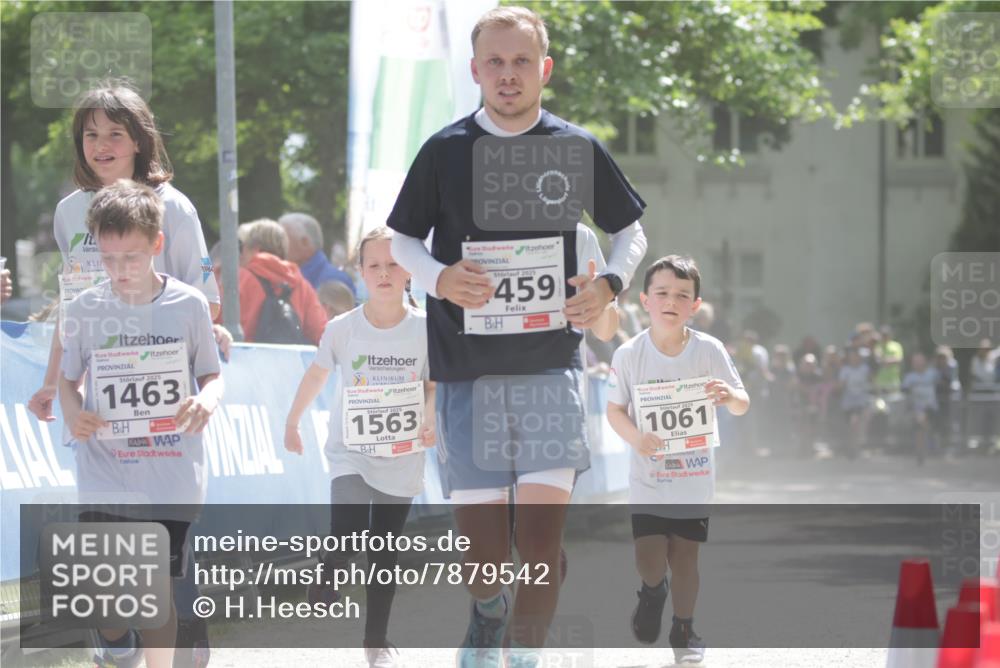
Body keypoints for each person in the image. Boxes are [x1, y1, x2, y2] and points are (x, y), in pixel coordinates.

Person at [386, 7, 648, 667]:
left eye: (521, 62)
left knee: (538, 545)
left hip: (548, 370)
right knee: (483, 558)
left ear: (544, 69)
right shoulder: (444, 150)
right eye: (496, 63)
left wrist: (609, 284)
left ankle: (522, 657)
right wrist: (441, 278)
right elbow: (402, 241)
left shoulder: (575, 147)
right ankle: (487, 608)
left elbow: (629, 231)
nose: (508, 75)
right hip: (467, 372)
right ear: (476, 71)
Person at [58, 180, 223, 668]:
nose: (120, 269)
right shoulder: (85, 309)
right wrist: (74, 412)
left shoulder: (189, 304)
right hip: (105, 468)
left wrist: (207, 400)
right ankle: (119, 643)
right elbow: (69, 381)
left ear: (157, 244)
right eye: (108, 259)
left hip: (170, 469)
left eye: (131, 257)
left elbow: (212, 374)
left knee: (155, 591)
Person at [28, 81, 227, 423]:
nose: (101, 145)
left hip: (163, 394)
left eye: (115, 134)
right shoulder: (68, 212)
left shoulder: (175, 208)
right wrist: (52, 382)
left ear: (139, 140)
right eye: (91, 135)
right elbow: (71, 303)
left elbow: (207, 300)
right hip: (95, 400)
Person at [284, 227, 434, 668]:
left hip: (402, 454)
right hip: (351, 450)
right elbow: (317, 373)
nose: (384, 273)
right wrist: (292, 421)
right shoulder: (342, 329)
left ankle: (376, 641)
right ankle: (329, 569)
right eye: (374, 265)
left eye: (393, 264)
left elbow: (435, 384)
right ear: (360, 272)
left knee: (385, 549)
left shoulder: (427, 330)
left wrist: (429, 416)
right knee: (348, 530)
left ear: (409, 271)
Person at [605, 255, 749, 665]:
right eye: (663, 293)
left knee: (686, 556)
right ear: (645, 300)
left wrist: (730, 396)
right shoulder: (629, 354)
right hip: (648, 477)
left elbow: (742, 402)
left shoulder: (709, 349)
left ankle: (684, 629)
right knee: (649, 559)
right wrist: (637, 438)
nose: (672, 301)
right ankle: (653, 591)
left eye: (683, 295)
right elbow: (614, 411)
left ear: (695, 305)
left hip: (694, 476)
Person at [237, 218, 327, 345]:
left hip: (243, 356)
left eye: (242, 248)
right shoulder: (301, 285)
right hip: (289, 357)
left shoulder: (240, 279)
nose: (240, 255)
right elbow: (322, 335)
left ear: (255, 248)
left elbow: (214, 320)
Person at [278, 212, 356, 295]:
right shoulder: (285, 277)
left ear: (305, 243)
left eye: (282, 239)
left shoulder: (333, 281)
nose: (277, 245)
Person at [901, 352, 938, 465]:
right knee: (919, 429)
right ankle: (920, 452)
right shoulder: (910, 377)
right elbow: (904, 389)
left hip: (930, 407)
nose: (917, 364)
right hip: (916, 408)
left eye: (919, 361)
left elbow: (942, 382)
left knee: (922, 426)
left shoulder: (932, 373)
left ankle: (928, 443)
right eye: (915, 362)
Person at [838, 346, 873, 458]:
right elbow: (841, 386)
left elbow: (871, 381)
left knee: (856, 422)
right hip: (848, 402)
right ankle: (850, 446)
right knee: (851, 425)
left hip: (861, 402)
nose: (854, 359)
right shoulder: (845, 370)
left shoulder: (865, 369)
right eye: (852, 357)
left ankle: (857, 446)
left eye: (856, 356)